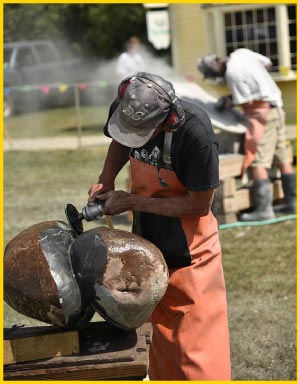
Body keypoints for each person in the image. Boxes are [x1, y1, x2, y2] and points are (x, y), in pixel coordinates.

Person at [88, 72, 231, 380]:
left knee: (195, 347)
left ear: (165, 120)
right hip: (149, 237)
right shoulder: (130, 105)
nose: (131, 136)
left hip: (191, 247)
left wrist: (133, 203)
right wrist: (107, 178)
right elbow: (119, 141)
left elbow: (199, 205)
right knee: (156, 336)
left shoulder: (196, 135)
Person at [198, 49, 296, 221]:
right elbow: (267, 63)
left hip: (262, 114)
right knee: (282, 158)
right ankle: (293, 202)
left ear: (214, 71)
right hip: (277, 108)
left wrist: (228, 101)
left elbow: (246, 101)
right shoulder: (241, 53)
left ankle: (264, 211)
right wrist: (257, 80)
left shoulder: (232, 74)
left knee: (258, 160)